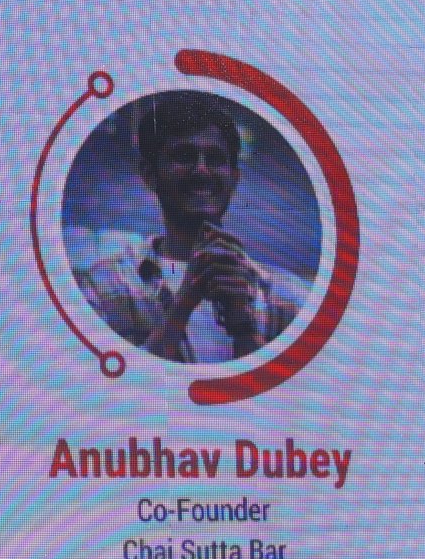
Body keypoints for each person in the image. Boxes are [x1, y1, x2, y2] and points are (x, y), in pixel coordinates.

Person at [77, 92, 310, 363]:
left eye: (215, 160)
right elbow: (106, 390)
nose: (202, 170)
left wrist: (244, 328)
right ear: (150, 175)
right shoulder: (103, 288)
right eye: (184, 156)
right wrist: (181, 308)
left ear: (233, 178)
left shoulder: (291, 299)